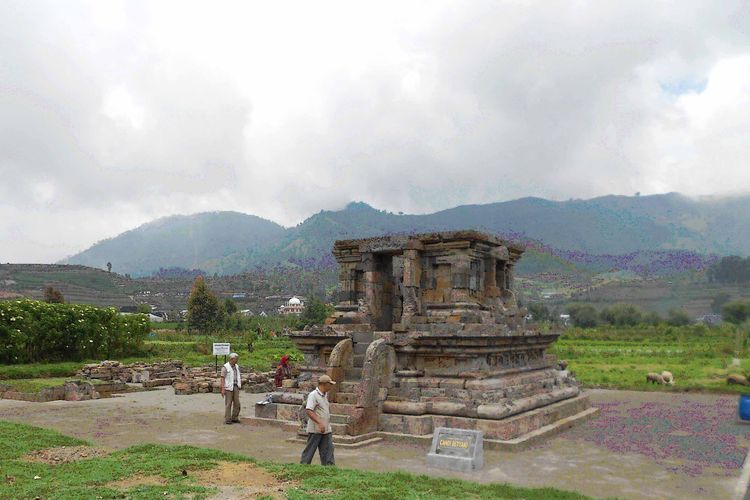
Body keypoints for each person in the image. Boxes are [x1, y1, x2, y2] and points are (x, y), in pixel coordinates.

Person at [300, 374, 336, 466]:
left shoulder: (324, 395)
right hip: (316, 428)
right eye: (329, 384)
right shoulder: (313, 395)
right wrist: (319, 422)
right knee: (310, 449)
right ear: (324, 384)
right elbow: (309, 410)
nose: (331, 386)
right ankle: (303, 466)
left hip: (326, 428)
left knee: (328, 449)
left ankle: (329, 468)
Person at [220, 352, 242, 424]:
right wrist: (223, 389)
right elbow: (222, 378)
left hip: (235, 386)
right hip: (228, 387)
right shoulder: (225, 367)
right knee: (228, 403)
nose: (237, 360)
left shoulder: (237, 366)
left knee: (237, 403)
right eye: (236, 359)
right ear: (232, 359)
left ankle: (235, 417)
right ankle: (228, 419)